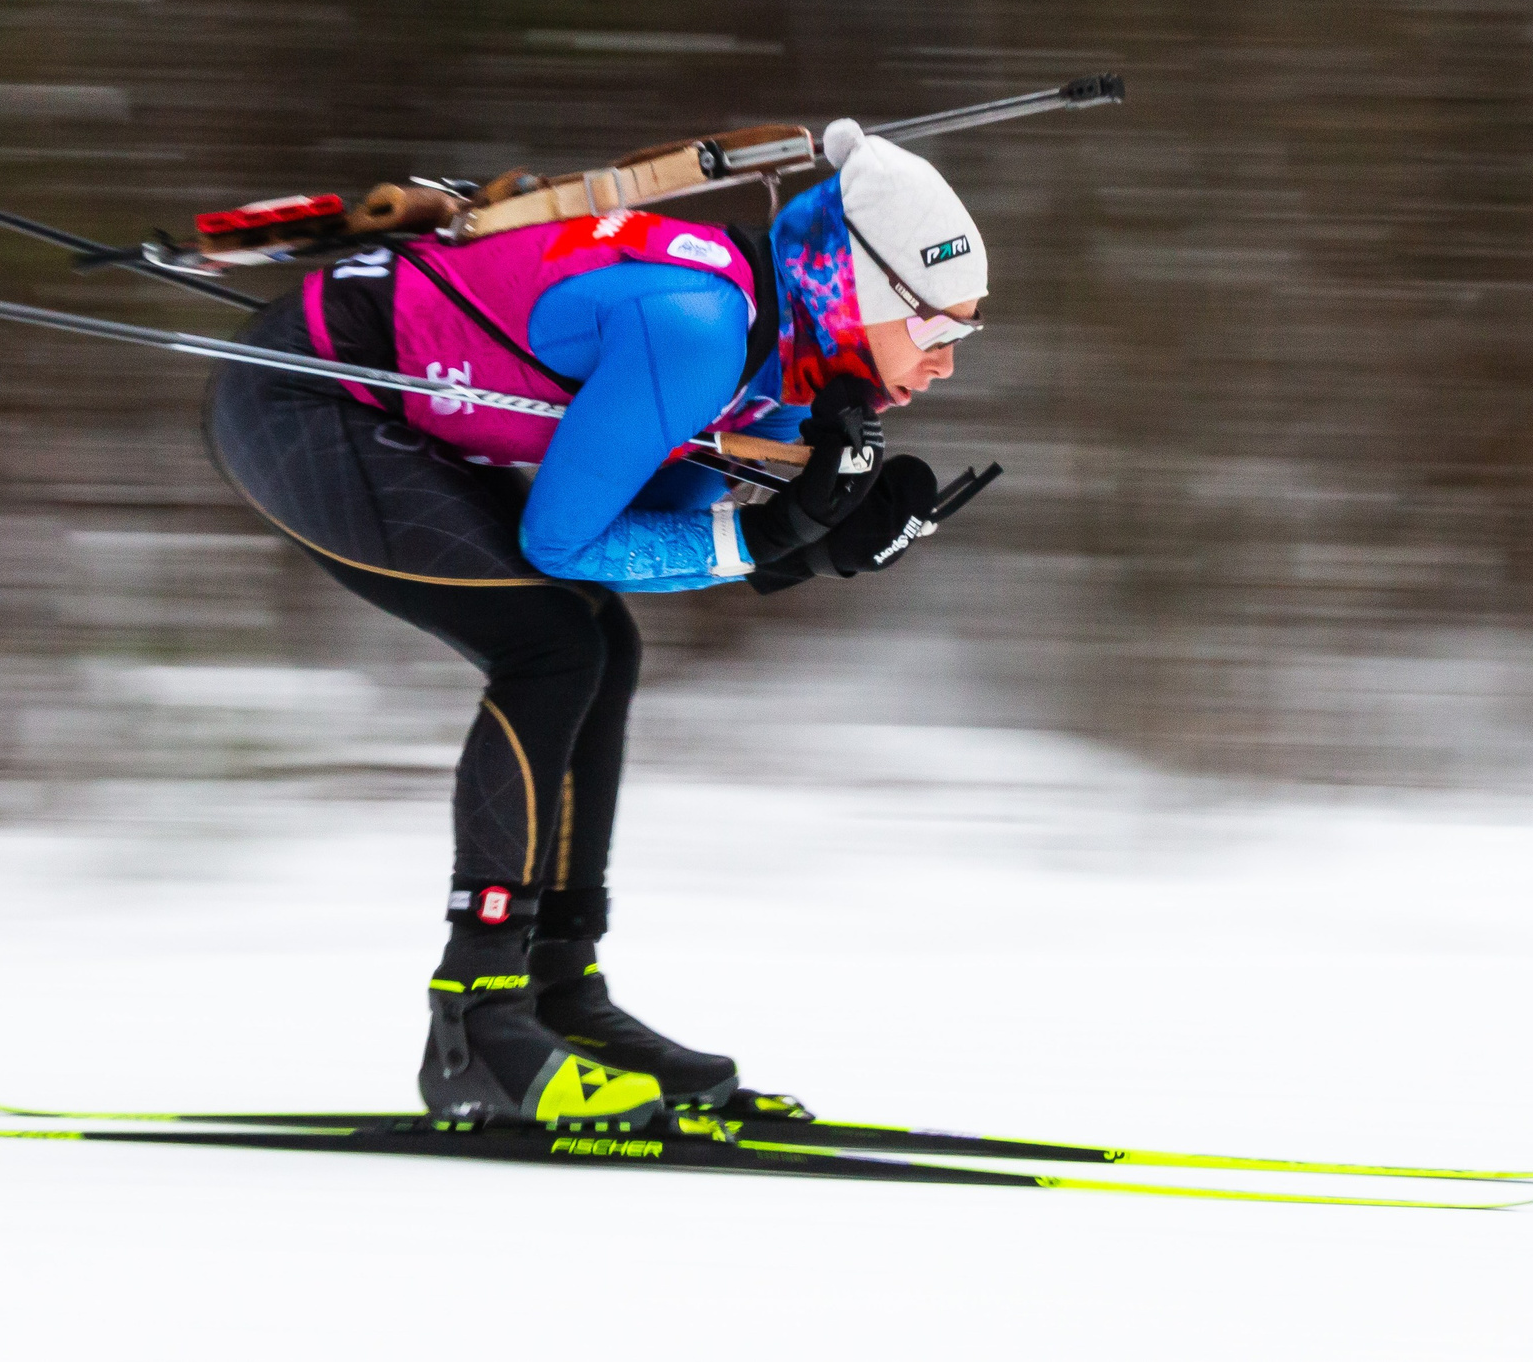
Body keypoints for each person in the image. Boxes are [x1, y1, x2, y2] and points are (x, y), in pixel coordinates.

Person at [203, 118, 988, 1126]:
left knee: (599, 644)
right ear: (859, 289)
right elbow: (567, 542)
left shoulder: (786, 367)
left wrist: (813, 543)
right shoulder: (700, 323)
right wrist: (768, 536)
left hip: (380, 415)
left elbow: (653, 523)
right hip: (302, 403)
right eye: (936, 327)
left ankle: (557, 994)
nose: (945, 364)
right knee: (553, 642)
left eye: (961, 335)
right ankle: (475, 1022)